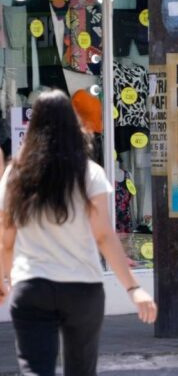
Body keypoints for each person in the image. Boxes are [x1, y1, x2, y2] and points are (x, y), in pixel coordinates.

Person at [0, 90, 157, 376]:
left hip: (32, 286)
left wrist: (4, 279)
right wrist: (133, 289)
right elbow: (104, 236)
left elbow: (6, 237)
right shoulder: (90, 173)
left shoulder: (15, 175)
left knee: (35, 369)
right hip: (82, 287)